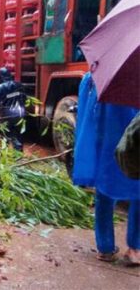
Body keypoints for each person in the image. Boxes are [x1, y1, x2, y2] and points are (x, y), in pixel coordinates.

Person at [73, 73, 140, 265]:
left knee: (104, 192)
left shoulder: (96, 77)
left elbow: (87, 117)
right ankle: (135, 249)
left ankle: (105, 248)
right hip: (136, 145)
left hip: (107, 146)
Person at [0, 68, 26, 151]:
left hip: (6, 114)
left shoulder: (0, 88)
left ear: (0, 77)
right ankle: (18, 153)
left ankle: (5, 153)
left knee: (6, 134)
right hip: (20, 113)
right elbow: (24, 98)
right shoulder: (19, 85)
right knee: (18, 135)